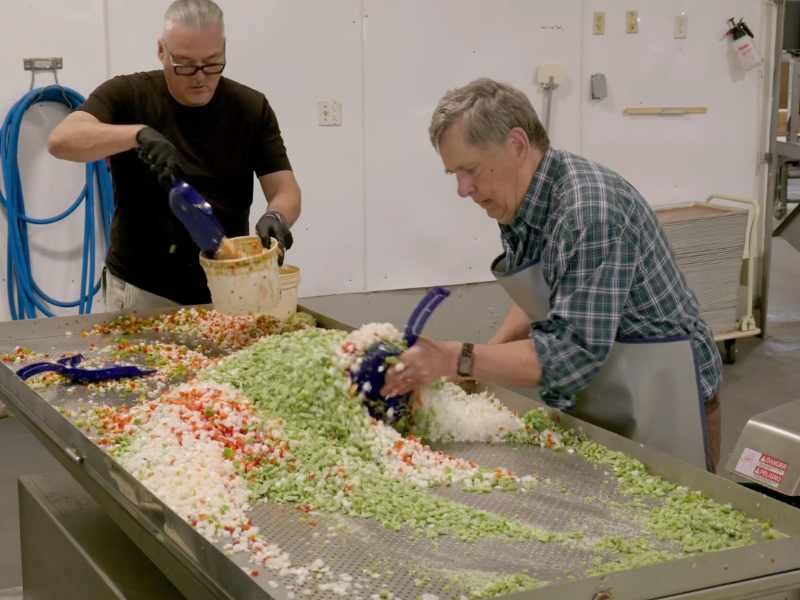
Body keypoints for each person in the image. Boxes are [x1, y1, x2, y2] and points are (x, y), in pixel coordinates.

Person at [382, 78, 722, 472]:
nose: (464, 189)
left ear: (517, 145)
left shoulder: (589, 212)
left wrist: (458, 358)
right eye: (454, 174)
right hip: (606, 388)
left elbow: (570, 353)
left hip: (663, 401)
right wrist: (479, 364)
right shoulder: (518, 196)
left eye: (470, 170)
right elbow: (545, 291)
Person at [47, 0, 300, 310]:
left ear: (224, 49)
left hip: (229, 284)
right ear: (161, 51)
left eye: (212, 63)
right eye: (184, 64)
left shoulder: (249, 107)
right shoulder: (128, 95)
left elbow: (285, 189)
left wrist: (277, 216)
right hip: (142, 291)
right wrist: (136, 135)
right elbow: (62, 140)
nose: (199, 77)